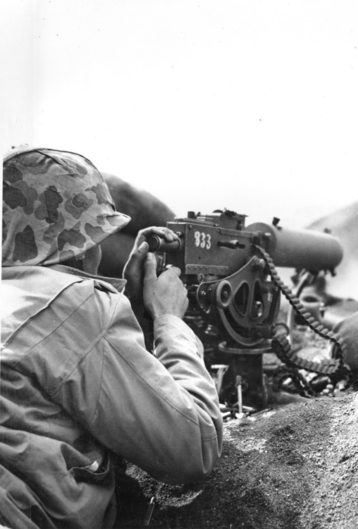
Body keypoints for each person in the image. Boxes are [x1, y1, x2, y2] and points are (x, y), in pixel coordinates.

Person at [0, 148, 223, 529]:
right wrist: (169, 320)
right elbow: (194, 447)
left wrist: (129, 307)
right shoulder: (76, 307)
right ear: (83, 243)